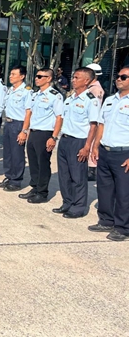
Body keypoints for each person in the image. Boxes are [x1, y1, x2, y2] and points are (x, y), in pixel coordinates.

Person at [88, 66, 129, 241]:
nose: (118, 79)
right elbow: (101, 124)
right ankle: (106, 220)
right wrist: (96, 146)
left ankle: (123, 228)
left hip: (123, 153)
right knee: (104, 189)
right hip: (105, 151)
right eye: (118, 76)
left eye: (123, 77)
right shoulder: (110, 100)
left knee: (124, 193)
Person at [53, 67, 100, 219]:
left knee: (78, 176)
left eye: (77, 78)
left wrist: (87, 147)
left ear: (86, 81)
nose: (73, 80)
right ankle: (67, 202)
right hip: (65, 139)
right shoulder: (70, 99)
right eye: (73, 77)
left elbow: (93, 125)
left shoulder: (91, 100)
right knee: (64, 175)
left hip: (79, 141)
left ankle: (78, 207)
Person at [19, 68, 64, 204]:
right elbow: (29, 114)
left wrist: (54, 137)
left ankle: (42, 192)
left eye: (40, 76)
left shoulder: (55, 96)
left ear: (48, 78)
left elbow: (59, 117)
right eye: (36, 76)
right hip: (33, 132)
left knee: (43, 163)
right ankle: (35, 187)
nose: (36, 78)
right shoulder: (35, 95)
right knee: (33, 162)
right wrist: (25, 130)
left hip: (45, 133)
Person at [0, 66, 33, 192]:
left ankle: (16, 181)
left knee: (17, 153)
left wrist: (24, 131)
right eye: (10, 74)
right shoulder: (10, 90)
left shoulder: (27, 92)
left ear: (22, 76)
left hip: (18, 124)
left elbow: (28, 112)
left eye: (13, 74)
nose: (10, 76)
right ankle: (9, 176)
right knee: (8, 153)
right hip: (8, 123)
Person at [86, 62, 105, 181]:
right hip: (88, 120)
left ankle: (92, 169)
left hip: (93, 120)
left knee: (92, 143)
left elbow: (95, 106)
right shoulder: (90, 87)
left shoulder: (96, 89)